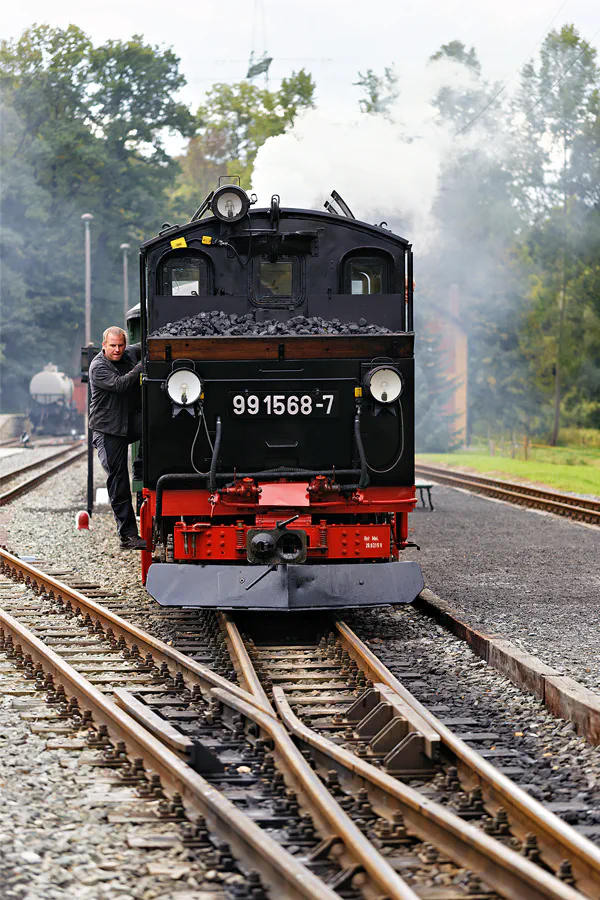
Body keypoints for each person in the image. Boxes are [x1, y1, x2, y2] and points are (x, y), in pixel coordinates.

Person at [89, 327, 145, 549]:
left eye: (121, 345)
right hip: (108, 429)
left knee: (154, 423)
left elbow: (145, 345)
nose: (117, 350)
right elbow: (120, 384)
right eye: (112, 346)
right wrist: (141, 368)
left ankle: (142, 467)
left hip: (128, 422)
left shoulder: (129, 354)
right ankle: (128, 535)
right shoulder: (98, 367)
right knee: (118, 478)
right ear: (104, 345)